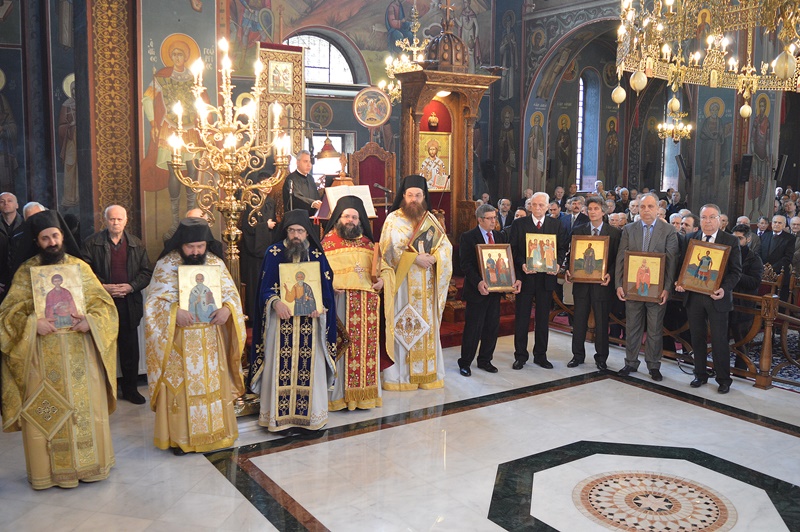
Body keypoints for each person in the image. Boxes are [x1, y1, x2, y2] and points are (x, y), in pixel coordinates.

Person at [0, 210, 118, 489]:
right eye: (45, 238)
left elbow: (104, 307)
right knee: (46, 412)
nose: (52, 242)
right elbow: (7, 315)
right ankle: (49, 473)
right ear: (37, 241)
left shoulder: (80, 268)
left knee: (85, 409)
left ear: (63, 236)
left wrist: (90, 321)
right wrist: (32, 324)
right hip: (41, 356)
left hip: (81, 351)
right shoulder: (26, 271)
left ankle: (91, 466)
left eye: (55, 235)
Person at [144, 218, 246, 453]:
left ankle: (217, 435)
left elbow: (231, 295)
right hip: (179, 341)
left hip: (210, 338)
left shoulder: (215, 263)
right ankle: (181, 439)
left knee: (212, 385)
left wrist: (227, 310)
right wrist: (173, 312)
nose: (196, 251)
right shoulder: (166, 265)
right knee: (182, 389)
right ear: (181, 245)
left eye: (200, 246)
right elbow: (153, 302)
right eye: (190, 247)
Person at [249, 210, 336, 432]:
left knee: (309, 369)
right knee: (280, 367)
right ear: (285, 232)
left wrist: (320, 308)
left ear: (307, 232)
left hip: (311, 324)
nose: (296, 235)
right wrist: (275, 302)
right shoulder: (273, 252)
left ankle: (310, 420)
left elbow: (325, 290)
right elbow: (264, 288)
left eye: (300, 230)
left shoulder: (317, 255)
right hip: (280, 325)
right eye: (291, 230)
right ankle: (280, 420)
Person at [380, 175, 453, 390]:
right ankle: (400, 378)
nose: (414, 199)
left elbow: (445, 247)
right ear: (403, 196)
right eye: (410, 195)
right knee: (403, 324)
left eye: (418, 195)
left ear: (424, 197)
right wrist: (414, 258)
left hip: (427, 283)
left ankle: (427, 374)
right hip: (403, 284)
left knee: (426, 325)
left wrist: (435, 258)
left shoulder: (430, 219)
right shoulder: (393, 219)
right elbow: (388, 251)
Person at [81, 205, 152, 404]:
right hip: (102, 304)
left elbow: (146, 273)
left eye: (119, 219)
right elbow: (83, 272)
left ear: (126, 220)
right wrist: (103, 287)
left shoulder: (137, 244)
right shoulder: (91, 243)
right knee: (103, 348)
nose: (116, 222)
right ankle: (103, 391)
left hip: (129, 303)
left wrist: (130, 286)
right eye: (112, 219)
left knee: (130, 350)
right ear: (105, 220)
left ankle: (130, 390)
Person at [321, 196, 384, 411]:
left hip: (367, 306)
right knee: (342, 348)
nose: (350, 220)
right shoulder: (327, 243)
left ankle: (365, 396)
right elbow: (318, 275)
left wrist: (382, 280)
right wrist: (329, 287)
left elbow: (382, 271)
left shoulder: (369, 244)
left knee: (365, 350)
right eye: (346, 216)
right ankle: (338, 397)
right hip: (339, 304)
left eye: (355, 217)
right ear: (338, 218)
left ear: (360, 220)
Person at [676, 204, 742, 394]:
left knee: (720, 340)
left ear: (720, 220)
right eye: (704, 218)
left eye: (712, 217)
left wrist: (723, 289)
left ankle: (723, 379)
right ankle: (700, 374)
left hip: (717, 297)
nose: (707, 221)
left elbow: (736, 272)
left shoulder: (730, 240)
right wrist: (680, 282)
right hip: (694, 296)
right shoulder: (690, 238)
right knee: (697, 337)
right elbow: (683, 266)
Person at [616, 192, 679, 381]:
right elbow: (621, 257)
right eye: (642, 207)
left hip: (656, 290)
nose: (646, 210)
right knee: (633, 326)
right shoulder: (629, 229)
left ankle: (653, 365)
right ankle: (630, 363)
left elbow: (672, 262)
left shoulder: (668, 231)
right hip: (633, 287)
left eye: (650, 207)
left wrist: (667, 288)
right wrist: (619, 284)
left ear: (658, 209)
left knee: (654, 328)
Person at [458, 204, 520, 376]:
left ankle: (485, 360)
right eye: (490, 218)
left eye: (495, 217)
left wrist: (510, 281)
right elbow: (465, 265)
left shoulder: (500, 236)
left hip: (495, 290)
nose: (494, 221)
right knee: (473, 328)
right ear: (480, 219)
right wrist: (478, 282)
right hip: (477, 291)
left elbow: (507, 262)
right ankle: (465, 362)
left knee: (492, 327)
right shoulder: (468, 237)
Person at [509, 191, 568, 370]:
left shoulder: (556, 225)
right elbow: (513, 250)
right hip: (526, 277)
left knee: (543, 319)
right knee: (522, 318)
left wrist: (557, 264)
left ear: (548, 206)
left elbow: (563, 248)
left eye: (541, 205)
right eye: (534, 205)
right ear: (530, 206)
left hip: (546, 279)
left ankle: (540, 355)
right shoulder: (519, 224)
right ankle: (520, 356)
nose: (537, 208)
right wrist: (522, 265)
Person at [565, 196, 621, 369]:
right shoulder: (578, 230)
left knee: (602, 322)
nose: (592, 212)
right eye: (590, 209)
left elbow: (617, 260)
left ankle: (601, 358)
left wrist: (610, 275)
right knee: (579, 320)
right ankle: (577, 355)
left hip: (602, 286)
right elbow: (571, 254)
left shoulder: (614, 233)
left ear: (603, 211)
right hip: (581, 284)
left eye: (596, 209)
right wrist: (568, 268)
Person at [731, 224, 763, 370]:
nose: (737, 242)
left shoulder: (754, 259)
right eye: (734, 238)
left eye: (740, 238)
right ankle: (719, 368)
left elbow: (754, 282)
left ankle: (741, 372)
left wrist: (737, 275)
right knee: (721, 339)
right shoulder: (729, 253)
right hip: (727, 302)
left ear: (748, 239)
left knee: (741, 342)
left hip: (744, 305)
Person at [759, 214, 794, 300]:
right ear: (771, 224)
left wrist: (771, 268)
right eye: (775, 222)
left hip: (779, 272)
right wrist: (763, 267)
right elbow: (759, 253)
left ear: (784, 225)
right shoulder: (765, 235)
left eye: (779, 223)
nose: (777, 224)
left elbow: (787, 257)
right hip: (762, 271)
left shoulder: (790, 238)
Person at [282, 150, 321, 214]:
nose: (309, 165)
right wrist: (312, 203)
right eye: (305, 161)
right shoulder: (291, 179)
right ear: (297, 162)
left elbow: (316, 196)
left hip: (313, 216)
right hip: (297, 217)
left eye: (310, 162)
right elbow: (296, 197)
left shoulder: (310, 178)